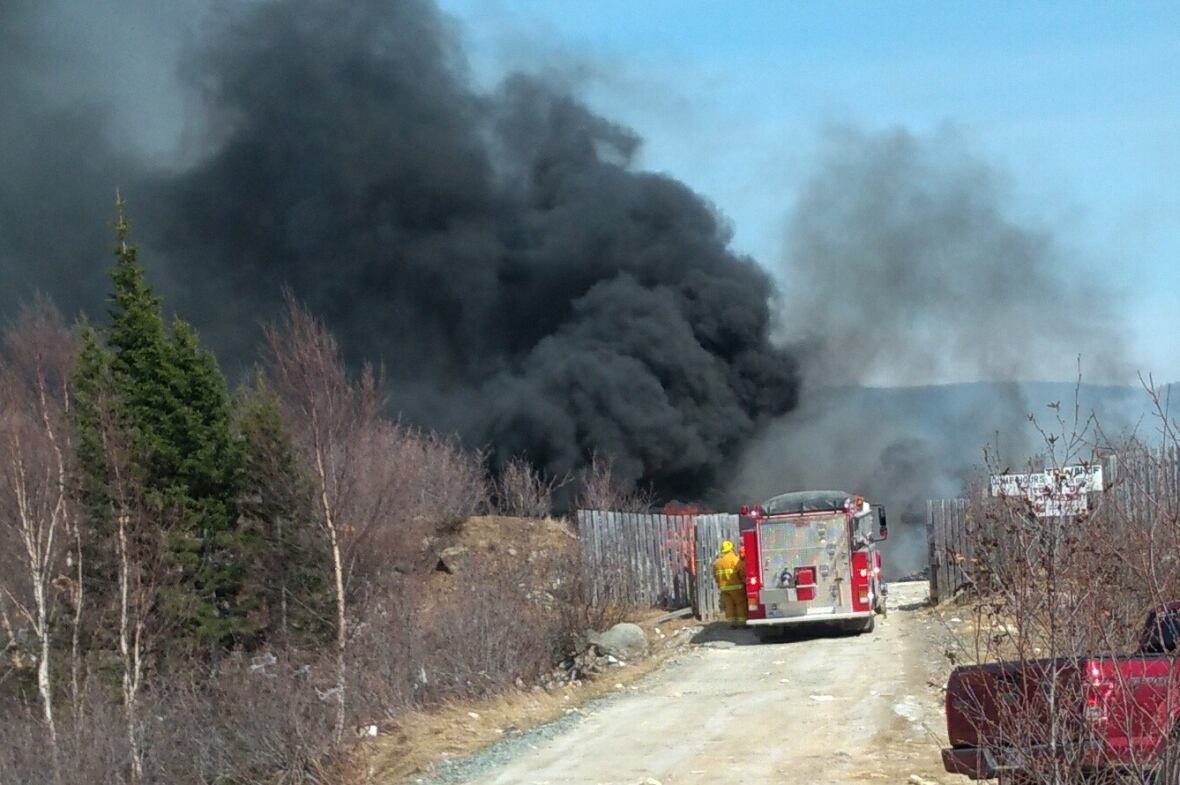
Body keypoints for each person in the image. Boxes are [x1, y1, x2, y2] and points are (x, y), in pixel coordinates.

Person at [712, 540, 747, 628]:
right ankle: (742, 624)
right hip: (737, 587)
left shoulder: (717, 563)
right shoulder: (735, 560)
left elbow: (715, 577)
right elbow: (742, 573)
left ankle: (731, 624)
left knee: (729, 605)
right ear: (731, 549)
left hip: (724, 588)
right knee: (740, 604)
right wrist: (744, 581)